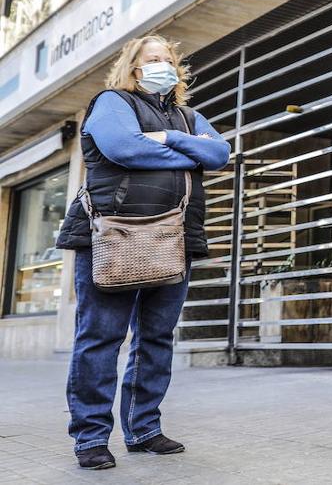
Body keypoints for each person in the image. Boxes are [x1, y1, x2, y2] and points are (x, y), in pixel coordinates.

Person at [55, 35, 230, 470]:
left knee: (156, 338)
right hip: (114, 235)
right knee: (100, 338)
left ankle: (143, 428)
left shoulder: (187, 116)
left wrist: (168, 136)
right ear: (133, 66)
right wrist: (188, 156)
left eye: (167, 58)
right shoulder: (112, 101)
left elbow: (220, 153)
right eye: (152, 58)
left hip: (176, 238)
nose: (162, 65)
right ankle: (92, 437)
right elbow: (123, 147)